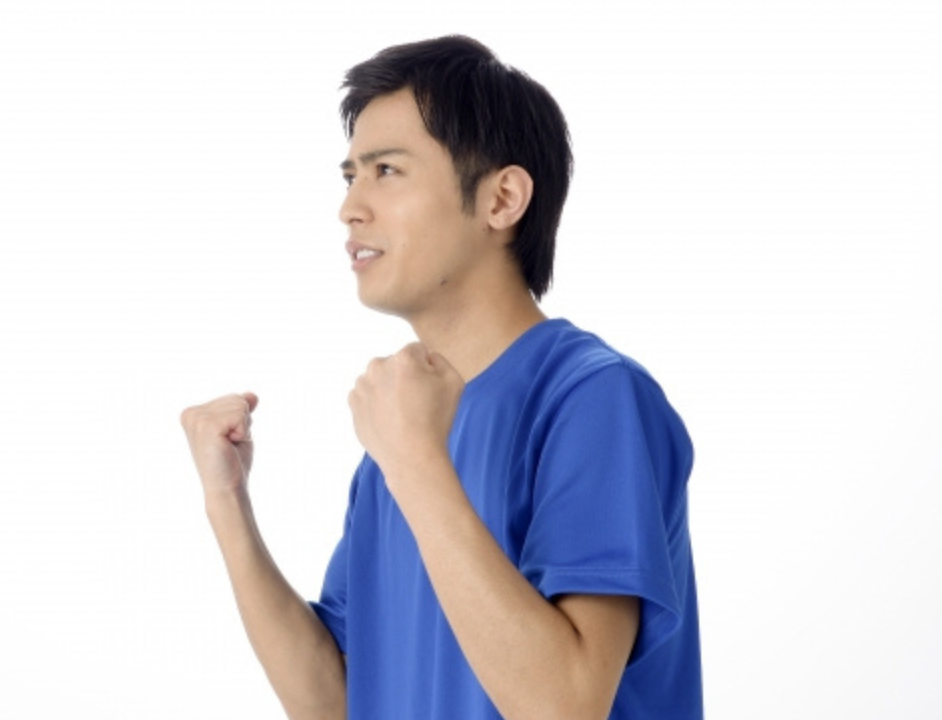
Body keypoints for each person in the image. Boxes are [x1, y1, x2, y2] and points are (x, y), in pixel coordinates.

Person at [180, 35, 702, 720]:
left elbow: (566, 705)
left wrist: (414, 461)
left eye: (386, 170)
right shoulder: (402, 437)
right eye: (349, 176)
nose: (350, 207)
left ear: (502, 198)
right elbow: (336, 702)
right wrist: (228, 505)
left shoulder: (593, 398)